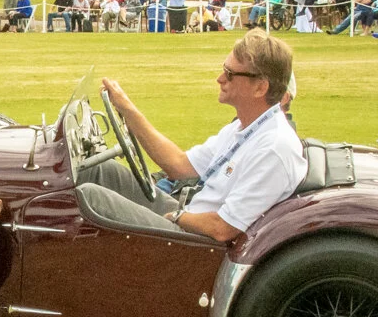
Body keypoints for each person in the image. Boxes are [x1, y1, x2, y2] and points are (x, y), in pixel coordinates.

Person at [76, 29, 306, 241]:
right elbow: (179, 165)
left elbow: (222, 228)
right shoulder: (245, 128)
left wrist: (176, 217)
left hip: (197, 242)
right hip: (191, 218)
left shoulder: (274, 147)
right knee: (96, 171)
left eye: (230, 73)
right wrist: (127, 109)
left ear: (260, 88)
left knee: (91, 197)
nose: (220, 78)